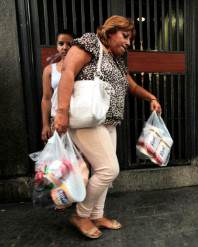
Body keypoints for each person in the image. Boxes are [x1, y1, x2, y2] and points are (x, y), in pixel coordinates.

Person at [54, 16, 162, 239]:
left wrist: (150, 96)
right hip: (86, 120)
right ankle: (81, 215)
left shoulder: (117, 59)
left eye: (130, 38)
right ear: (111, 31)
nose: (128, 42)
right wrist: (62, 112)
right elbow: (68, 72)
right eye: (125, 36)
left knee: (104, 172)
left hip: (108, 122)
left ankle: (96, 215)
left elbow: (129, 85)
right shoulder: (90, 43)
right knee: (109, 169)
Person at [41, 30, 74, 142]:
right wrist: (45, 125)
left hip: (77, 119)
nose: (65, 47)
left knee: (78, 158)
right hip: (57, 120)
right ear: (56, 46)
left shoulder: (81, 68)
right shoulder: (49, 70)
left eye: (69, 44)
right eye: (61, 44)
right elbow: (46, 99)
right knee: (58, 159)